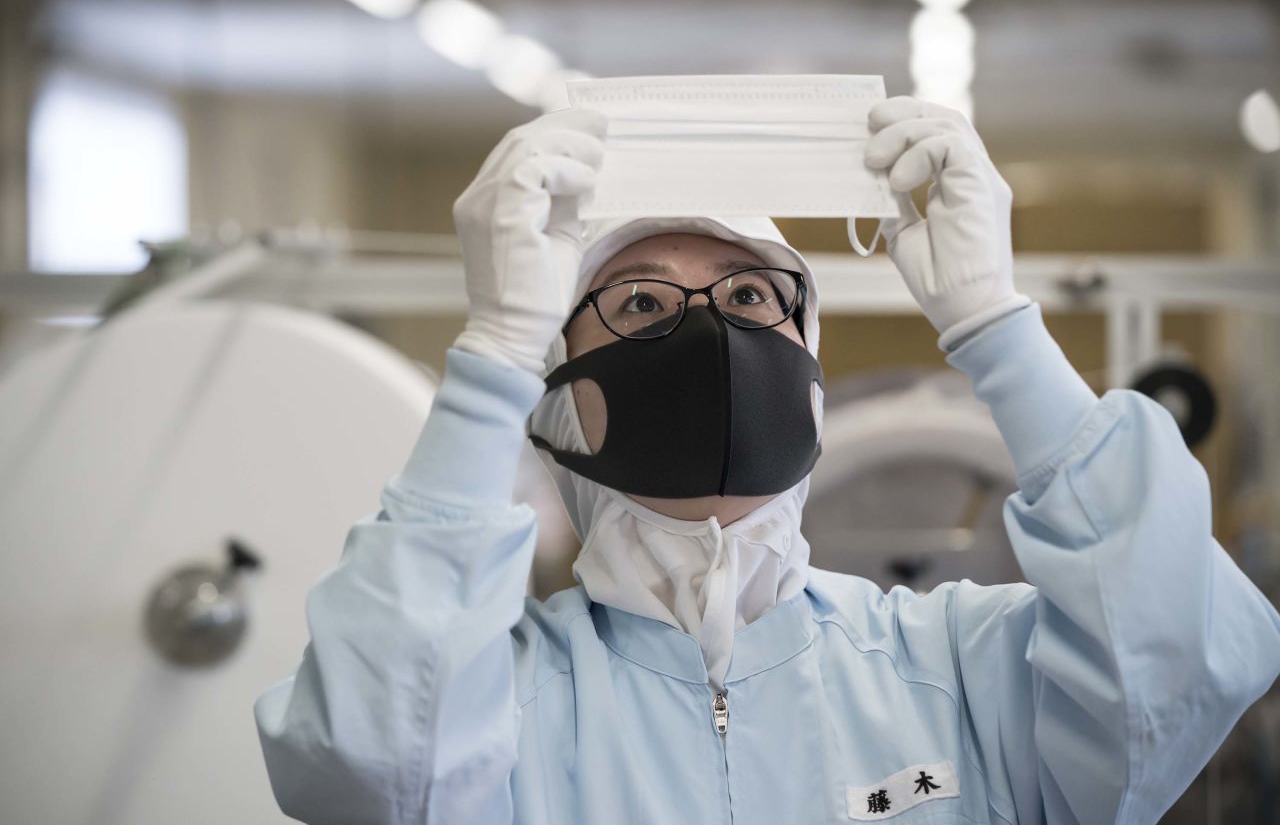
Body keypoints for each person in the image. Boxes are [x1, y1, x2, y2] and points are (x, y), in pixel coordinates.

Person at [254, 98, 1280, 824]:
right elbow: (368, 762)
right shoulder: (505, 697)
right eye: (642, 304)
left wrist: (995, 328)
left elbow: (1179, 667)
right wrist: (489, 360)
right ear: (563, 400)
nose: (709, 328)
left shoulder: (955, 666)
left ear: (809, 376)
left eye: (750, 297)